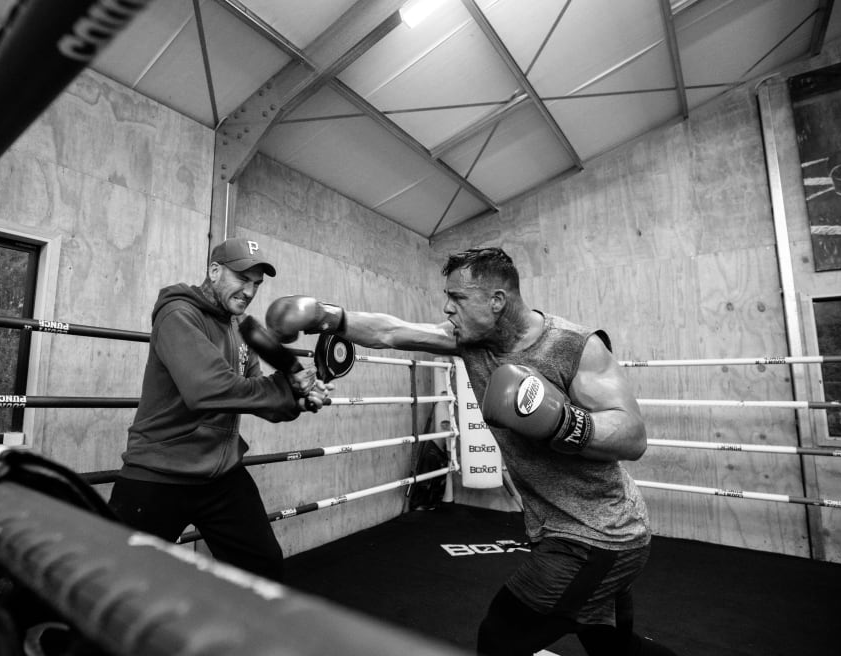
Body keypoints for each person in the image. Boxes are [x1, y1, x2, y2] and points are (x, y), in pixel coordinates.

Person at [264, 247, 676, 655]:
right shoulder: (471, 341)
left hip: (598, 534)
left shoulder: (573, 346)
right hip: (564, 528)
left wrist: (560, 420)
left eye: (457, 298)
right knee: (614, 648)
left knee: (499, 639)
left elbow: (632, 435)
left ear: (497, 301)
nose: (447, 309)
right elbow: (391, 331)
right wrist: (326, 316)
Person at [109, 237, 328, 582]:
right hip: (160, 472)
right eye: (242, 278)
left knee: (264, 566)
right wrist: (282, 389)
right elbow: (206, 389)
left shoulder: (241, 330)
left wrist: (298, 400)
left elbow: (261, 400)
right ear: (214, 271)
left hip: (220, 475)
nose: (250, 291)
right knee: (115, 578)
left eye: (257, 283)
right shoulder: (178, 315)